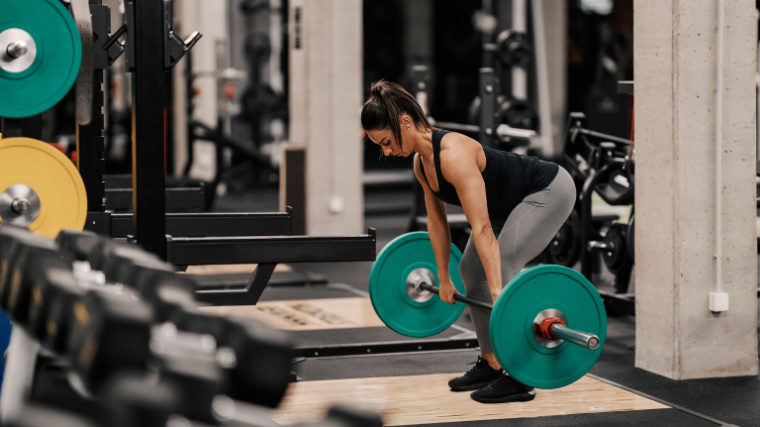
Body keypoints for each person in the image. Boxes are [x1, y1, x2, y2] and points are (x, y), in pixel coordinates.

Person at [361, 80, 576, 404]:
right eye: (382, 146)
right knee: (469, 268)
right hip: (509, 205)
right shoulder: (422, 163)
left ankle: (519, 376)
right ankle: (491, 362)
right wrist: (445, 279)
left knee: (499, 268)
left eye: (387, 142)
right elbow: (437, 223)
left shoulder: (454, 155)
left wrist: (498, 292)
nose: (388, 151)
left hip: (547, 191)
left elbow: (482, 227)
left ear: (405, 121)